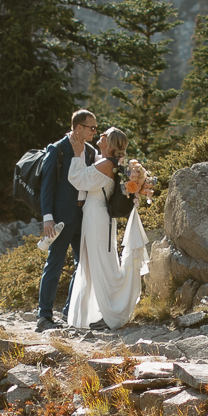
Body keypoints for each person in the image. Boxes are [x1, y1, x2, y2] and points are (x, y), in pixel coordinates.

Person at [65, 127, 152, 332]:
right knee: (98, 263)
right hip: (98, 216)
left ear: (111, 144)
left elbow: (79, 179)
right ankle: (102, 311)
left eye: (104, 135)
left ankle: (111, 313)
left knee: (100, 264)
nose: (100, 136)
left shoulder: (106, 164)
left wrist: (78, 153)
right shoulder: (109, 163)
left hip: (97, 217)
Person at [36, 109, 98, 331]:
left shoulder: (91, 152)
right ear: (78, 128)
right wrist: (48, 218)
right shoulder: (58, 149)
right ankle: (44, 317)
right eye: (91, 127)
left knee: (83, 265)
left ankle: (68, 312)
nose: (95, 131)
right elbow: (47, 185)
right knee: (54, 263)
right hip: (61, 218)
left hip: (85, 216)